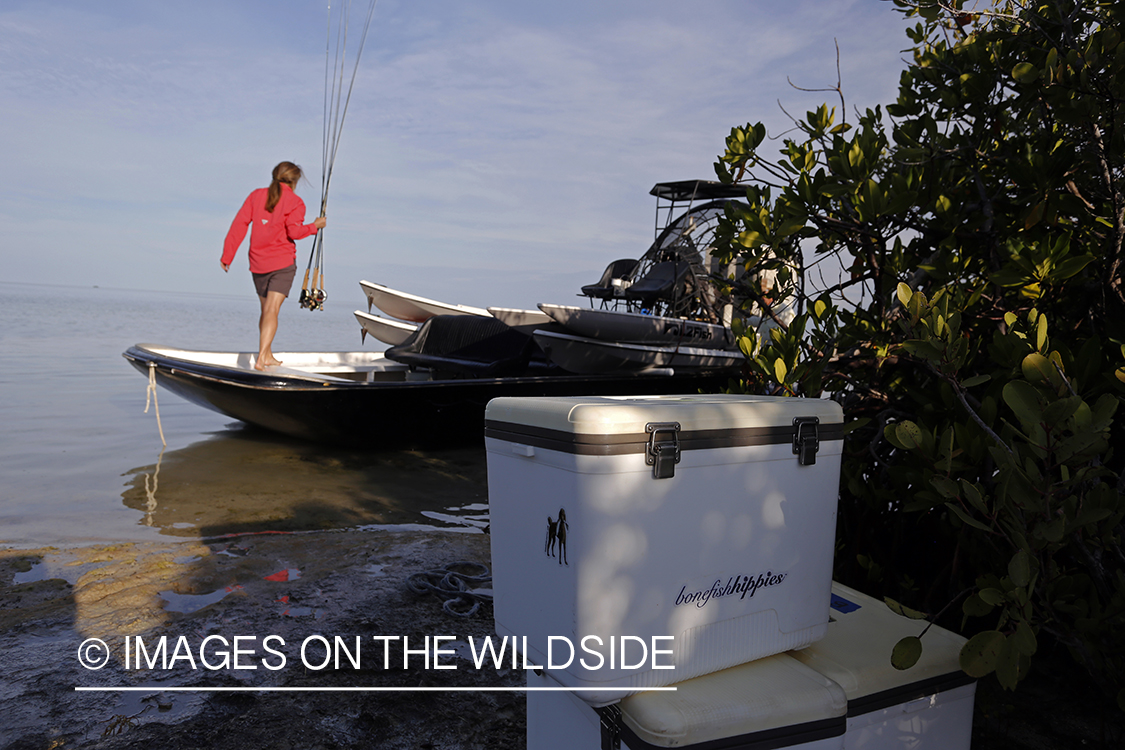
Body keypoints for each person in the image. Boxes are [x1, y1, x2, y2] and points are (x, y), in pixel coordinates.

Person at [221, 162, 326, 370]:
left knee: (266, 311)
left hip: (258, 263)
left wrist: (227, 255)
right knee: (272, 310)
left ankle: (267, 354)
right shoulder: (296, 202)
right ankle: (262, 358)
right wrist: (315, 226)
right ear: (294, 182)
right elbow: (294, 233)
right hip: (282, 263)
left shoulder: (256, 195)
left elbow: (239, 224)